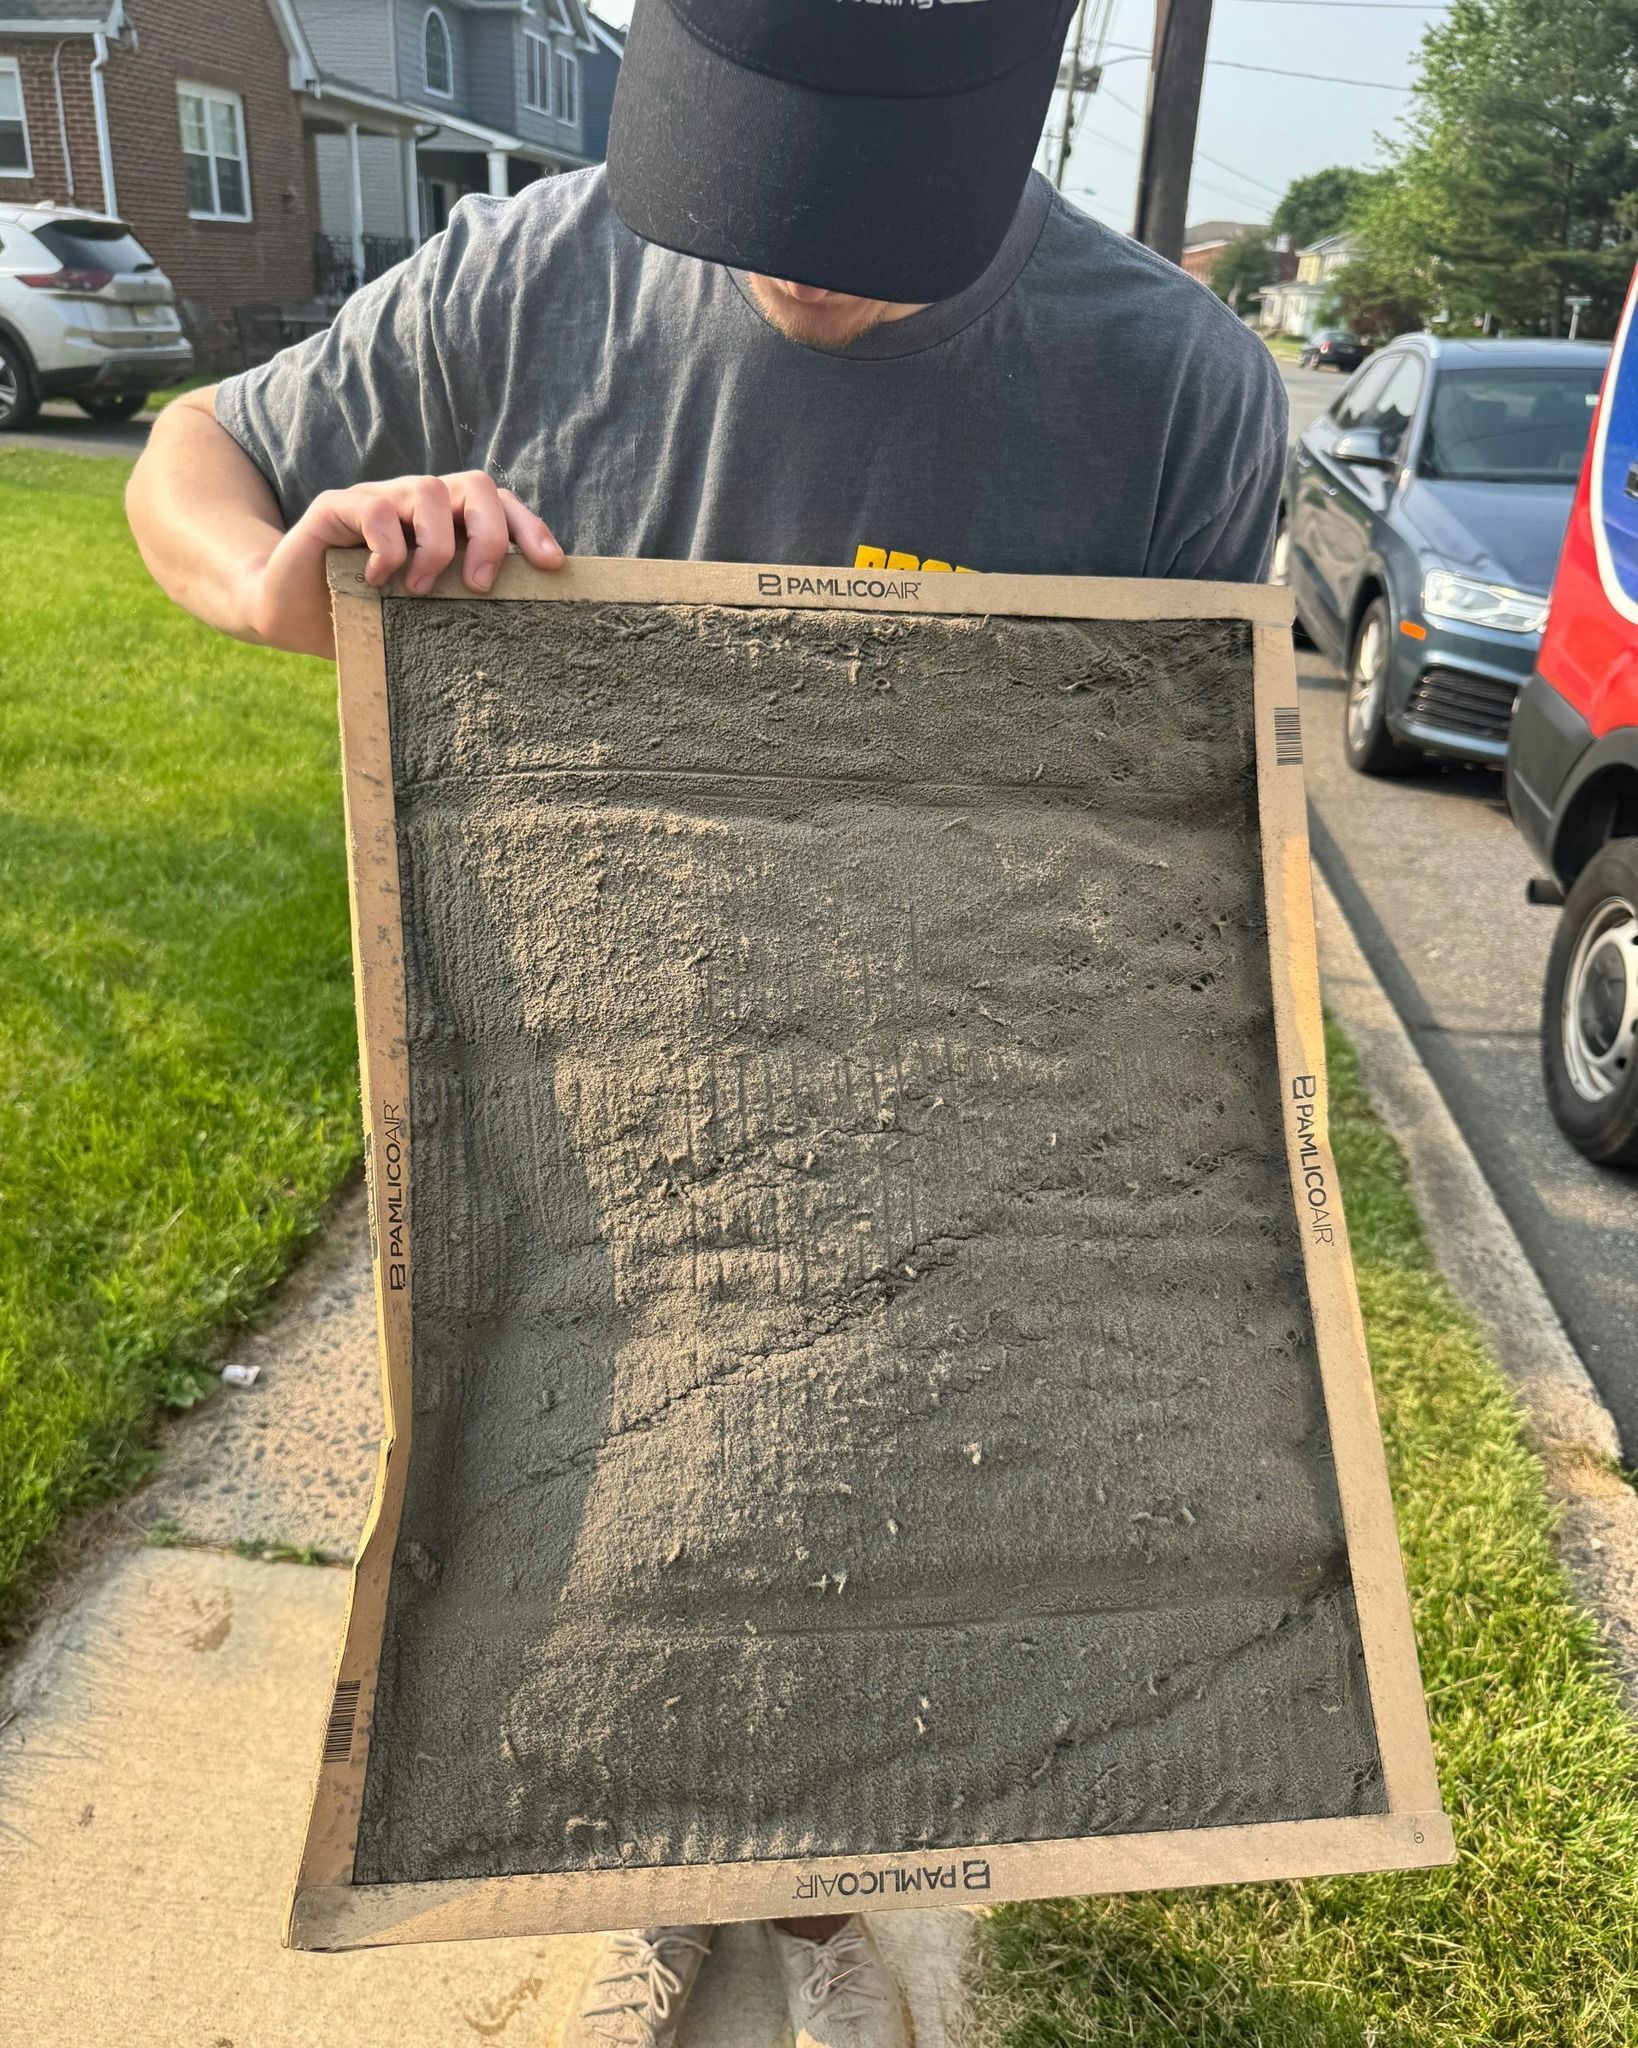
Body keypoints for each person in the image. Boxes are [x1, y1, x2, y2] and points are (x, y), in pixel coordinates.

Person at [127, 2, 1287, 2041]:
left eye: (878, 219)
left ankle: (842, 1900)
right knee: (618, 1496)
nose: (814, 266)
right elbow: (186, 455)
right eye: (769, 194)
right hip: (594, 1075)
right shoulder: (528, 270)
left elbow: (1183, 829)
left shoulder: (1174, 384)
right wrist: (269, 579)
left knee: (874, 1502)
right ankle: (654, 1862)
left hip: (949, 1082)